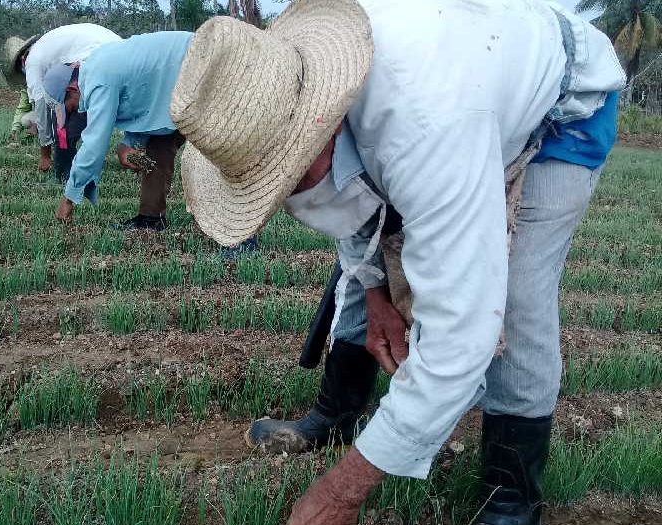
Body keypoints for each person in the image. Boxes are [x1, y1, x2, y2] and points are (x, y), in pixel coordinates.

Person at [169, 1, 625, 524]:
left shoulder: (427, 123)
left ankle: (511, 502)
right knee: (369, 256)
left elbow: (463, 331)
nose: (287, 194)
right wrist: (376, 294)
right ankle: (336, 415)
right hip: (463, 102)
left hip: (563, 113)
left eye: (286, 174)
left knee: (515, 300)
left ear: (322, 126)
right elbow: (353, 211)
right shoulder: (292, 90)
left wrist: (342, 492)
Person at [45, 32, 193, 231]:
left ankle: (227, 224)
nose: (73, 114)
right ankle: (150, 221)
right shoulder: (96, 64)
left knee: (215, 149)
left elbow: (95, 144)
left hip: (194, 65)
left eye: (69, 108)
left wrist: (69, 198)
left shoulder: (99, 80)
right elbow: (145, 100)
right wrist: (128, 143)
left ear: (71, 89)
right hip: (173, 78)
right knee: (160, 143)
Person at [4, 24, 121, 181]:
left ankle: (65, 173)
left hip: (99, 59)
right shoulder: (50, 46)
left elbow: (40, 105)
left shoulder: (33, 60)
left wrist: (45, 154)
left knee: (64, 125)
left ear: (22, 60)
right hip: (120, 52)